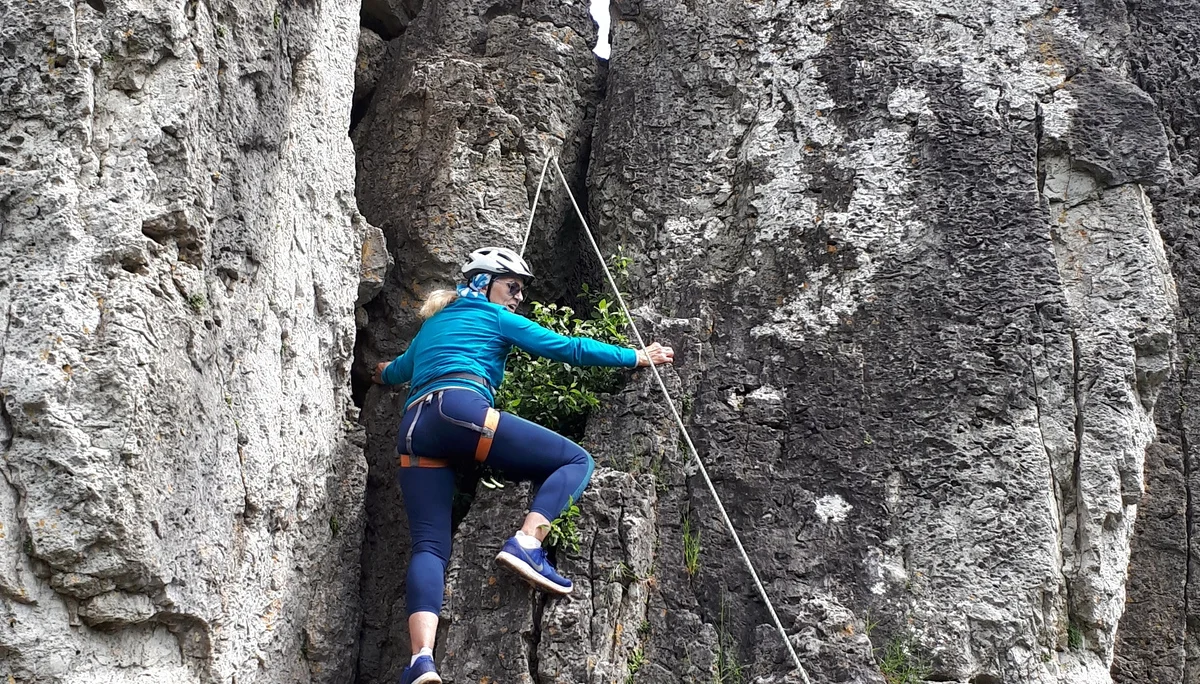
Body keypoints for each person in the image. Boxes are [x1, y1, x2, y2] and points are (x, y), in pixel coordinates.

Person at [372, 246, 674, 684]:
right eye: (511, 287)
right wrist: (636, 356)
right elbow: (567, 348)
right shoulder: (494, 317)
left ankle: (421, 660)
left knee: (429, 548)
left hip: (414, 429)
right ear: (483, 283)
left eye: (521, 292)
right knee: (575, 459)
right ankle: (528, 543)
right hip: (460, 410)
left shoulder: (432, 325)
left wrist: (375, 372)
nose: (517, 298)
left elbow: (397, 370)